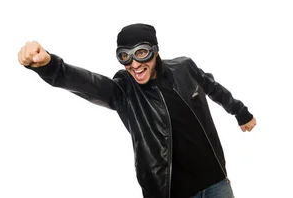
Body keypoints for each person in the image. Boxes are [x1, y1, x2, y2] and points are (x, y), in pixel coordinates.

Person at [17, 23, 256, 198]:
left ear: (155, 50)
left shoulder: (185, 67)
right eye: (125, 56)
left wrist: (240, 112)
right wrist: (50, 66)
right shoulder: (125, 91)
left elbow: (213, 88)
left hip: (217, 183)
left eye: (140, 53)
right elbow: (90, 83)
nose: (133, 63)